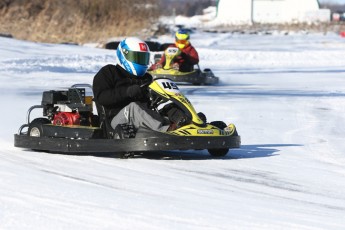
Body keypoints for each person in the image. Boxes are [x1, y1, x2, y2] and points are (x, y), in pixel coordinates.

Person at [92, 37, 172, 132]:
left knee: (171, 107)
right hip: (115, 122)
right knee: (134, 108)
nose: (140, 61)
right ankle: (168, 131)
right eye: (137, 57)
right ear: (124, 55)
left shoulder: (146, 78)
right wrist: (127, 92)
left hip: (142, 117)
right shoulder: (109, 72)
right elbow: (101, 97)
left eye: (143, 58)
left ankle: (187, 126)